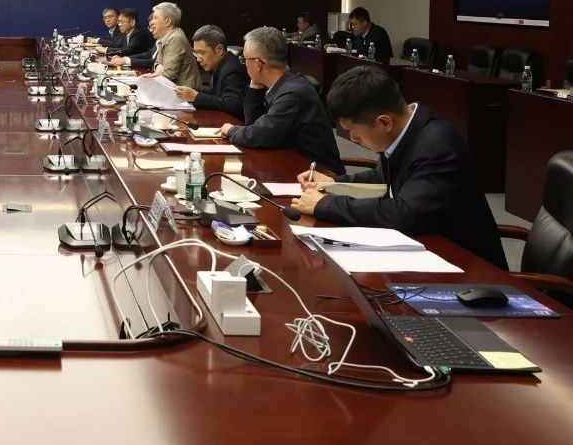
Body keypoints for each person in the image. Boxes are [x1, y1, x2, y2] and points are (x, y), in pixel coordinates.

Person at [293, 66, 506, 267]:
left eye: (353, 131)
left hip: (469, 268)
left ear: (384, 122)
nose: (353, 139)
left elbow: (404, 213)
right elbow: (385, 178)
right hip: (425, 248)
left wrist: (326, 204)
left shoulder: (437, 147)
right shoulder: (407, 129)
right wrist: (334, 183)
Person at [220, 27, 344, 174]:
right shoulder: (282, 83)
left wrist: (231, 130)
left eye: (244, 59)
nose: (243, 64)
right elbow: (254, 125)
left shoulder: (292, 93)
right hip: (294, 166)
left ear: (257, 64)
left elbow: (259, 134)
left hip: (320, 176)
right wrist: (255, 86)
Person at [174, 25, 248, 120]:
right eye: (196, 53)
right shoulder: (221, 63)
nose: (198, 59)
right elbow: (214, 92)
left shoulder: (232, 69)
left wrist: (196, 97)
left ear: (219, 49)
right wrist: (190, 91)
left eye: (202, 53)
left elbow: (233, 104)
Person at [127, 3, 201, 87]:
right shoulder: (165, 37)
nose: (152, 22)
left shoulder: (175, 38)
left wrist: (152, 75)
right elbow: (157, 62)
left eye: (155, 18)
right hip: (171, 87)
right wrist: (158, 67)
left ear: (168, 21)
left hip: (184, 91)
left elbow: (169, 74)